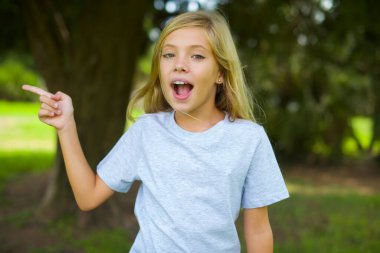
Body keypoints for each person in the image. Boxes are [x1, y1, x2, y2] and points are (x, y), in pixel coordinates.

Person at [23, 10, 289, 253]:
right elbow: (87, 196)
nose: (179, 64)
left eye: (196, 55)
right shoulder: (146, 131)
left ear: (220, 72)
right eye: (169, 54)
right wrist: (66, 127)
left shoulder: (249, 139)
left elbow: (258, 229)